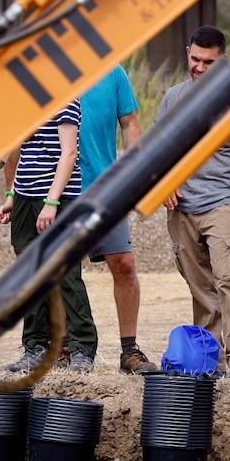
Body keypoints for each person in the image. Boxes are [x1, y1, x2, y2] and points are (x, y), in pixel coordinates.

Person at [155, 26, 230, 378]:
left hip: (223, 203)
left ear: (223, 61)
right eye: (195, 59)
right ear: (188, 52)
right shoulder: (172, 98)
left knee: (228, 279)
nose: (199, 67)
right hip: (181, 209)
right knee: (200, 287)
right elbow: (159, 151)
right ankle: (209, 359)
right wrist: (163, 183)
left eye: (208, 62)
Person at [0, 99, 99, 372]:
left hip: (57, 199)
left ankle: (82, 348)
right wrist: (11, 197)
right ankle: (35, 347)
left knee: (66, 273)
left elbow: (69, 154)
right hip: (25, 198)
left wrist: (51, 203)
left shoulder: (66, 98)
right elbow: (24, 151)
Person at [78, 64, 155, 374]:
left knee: (123, 263)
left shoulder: (113, 72)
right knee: (62, 271)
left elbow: (130, 123)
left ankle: (129, 349)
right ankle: (70, 348)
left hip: (106, 187)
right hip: (59, 187)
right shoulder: (50, 67)